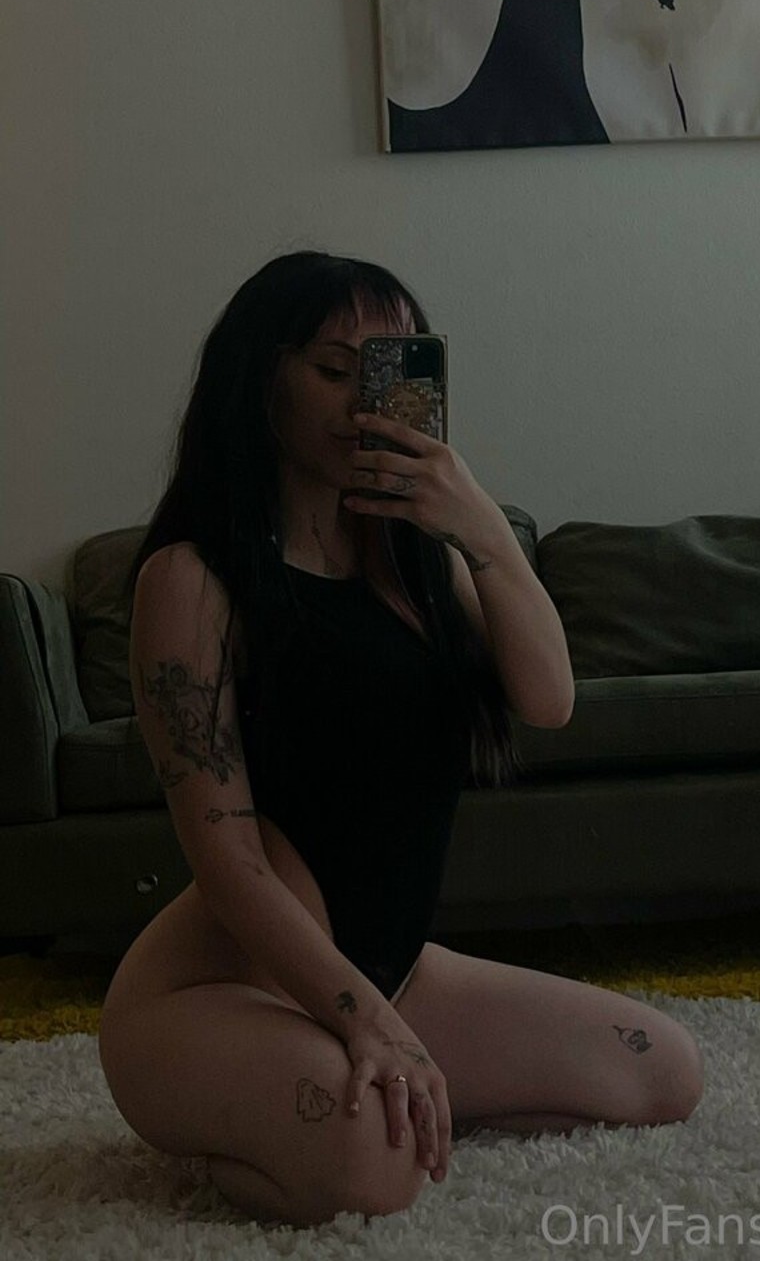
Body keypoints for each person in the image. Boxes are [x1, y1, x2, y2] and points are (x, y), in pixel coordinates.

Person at [96, 251, 704, 1228]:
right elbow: (228, 861)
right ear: (260, 380)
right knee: (377, 1168)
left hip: (397, 972)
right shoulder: (193, 580)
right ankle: (257, 1119)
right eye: (335, 371)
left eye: (388, 373)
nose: (363, 405)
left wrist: (482, 528)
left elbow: (549, 699)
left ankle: (358, 1088)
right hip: (217, 994)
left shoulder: (417, 563)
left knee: (663, 1071)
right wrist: (369, 1026)